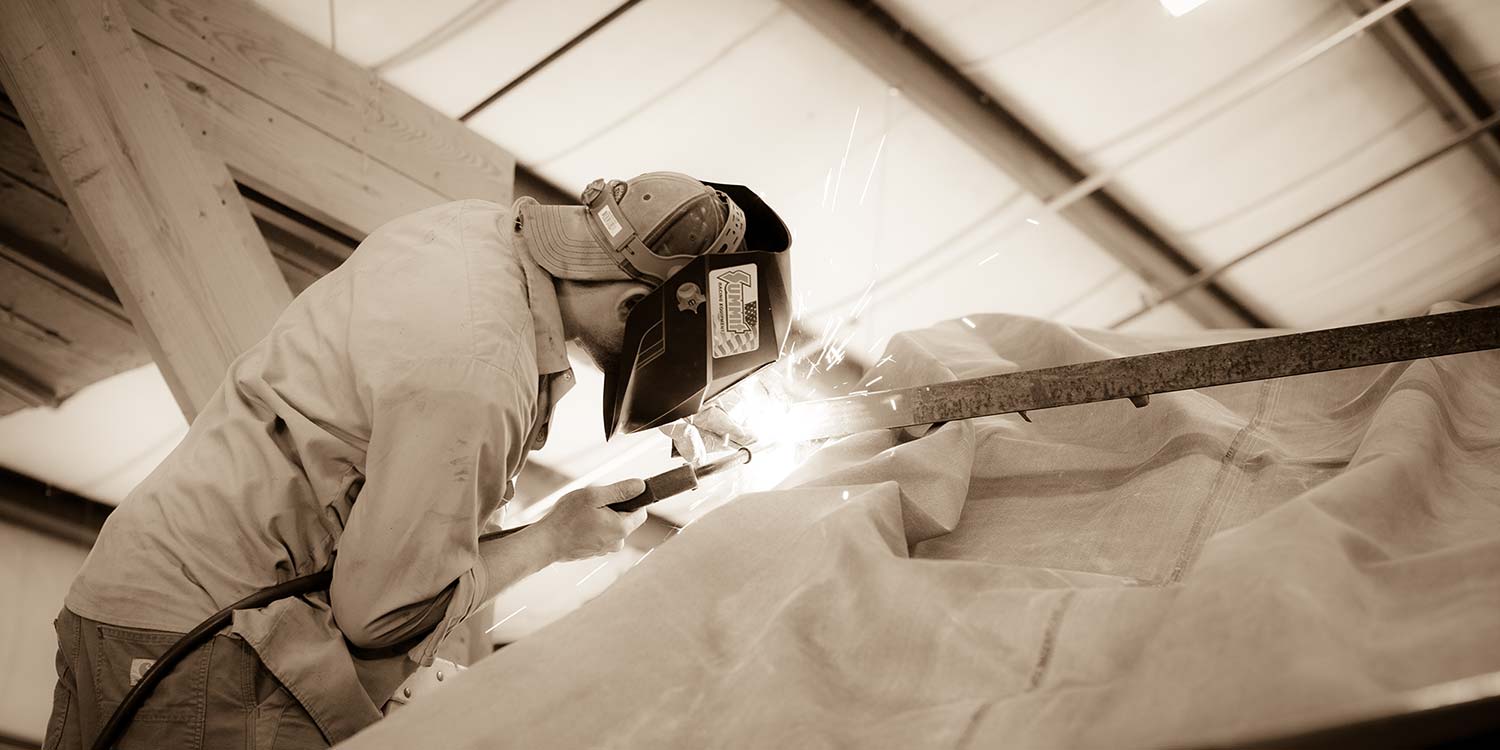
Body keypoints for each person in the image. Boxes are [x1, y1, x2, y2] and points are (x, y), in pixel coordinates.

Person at [44, 171, 792, 749]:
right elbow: (381, 618)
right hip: (203, 648)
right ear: (634, 310)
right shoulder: (475, 368)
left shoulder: (477, 235)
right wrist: (553, 539)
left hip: (132, 609)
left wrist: (698, 403)